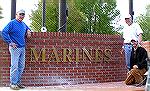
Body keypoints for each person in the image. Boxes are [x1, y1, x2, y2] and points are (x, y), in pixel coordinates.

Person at [1, 9, 31, 90]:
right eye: (20, 14)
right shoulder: (12, 23)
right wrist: (10, 42)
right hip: (15, 48)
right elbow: (3, 32)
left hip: (22, 48)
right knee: (14, 66)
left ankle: (17, 82)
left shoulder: (23, 24)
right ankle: (13, 84)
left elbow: (28, 28)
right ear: (16, 14)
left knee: (21, 66)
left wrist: (28, 30)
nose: (22, 16)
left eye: (23, 14)